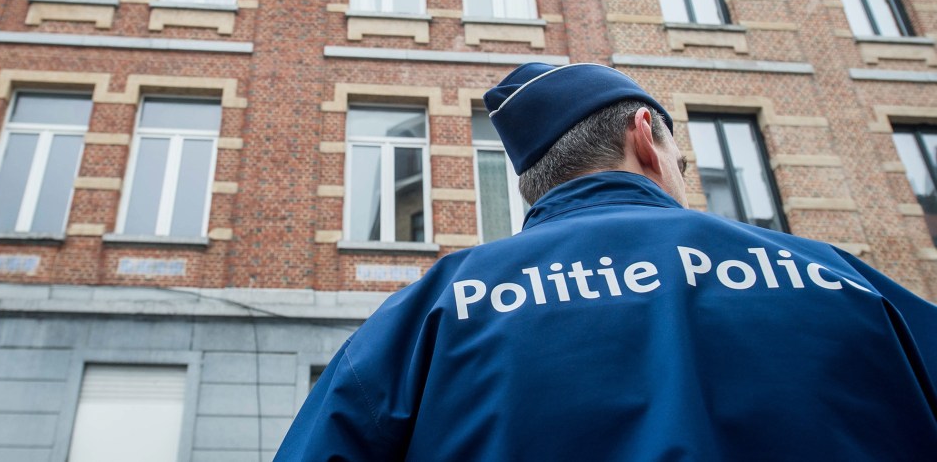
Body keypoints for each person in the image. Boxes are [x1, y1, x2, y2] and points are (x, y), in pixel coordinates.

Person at [275, 62, 937, 461]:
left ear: (533, 184)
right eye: (680, 161)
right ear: (646, 138)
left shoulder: (433, 309)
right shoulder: (840, 280)